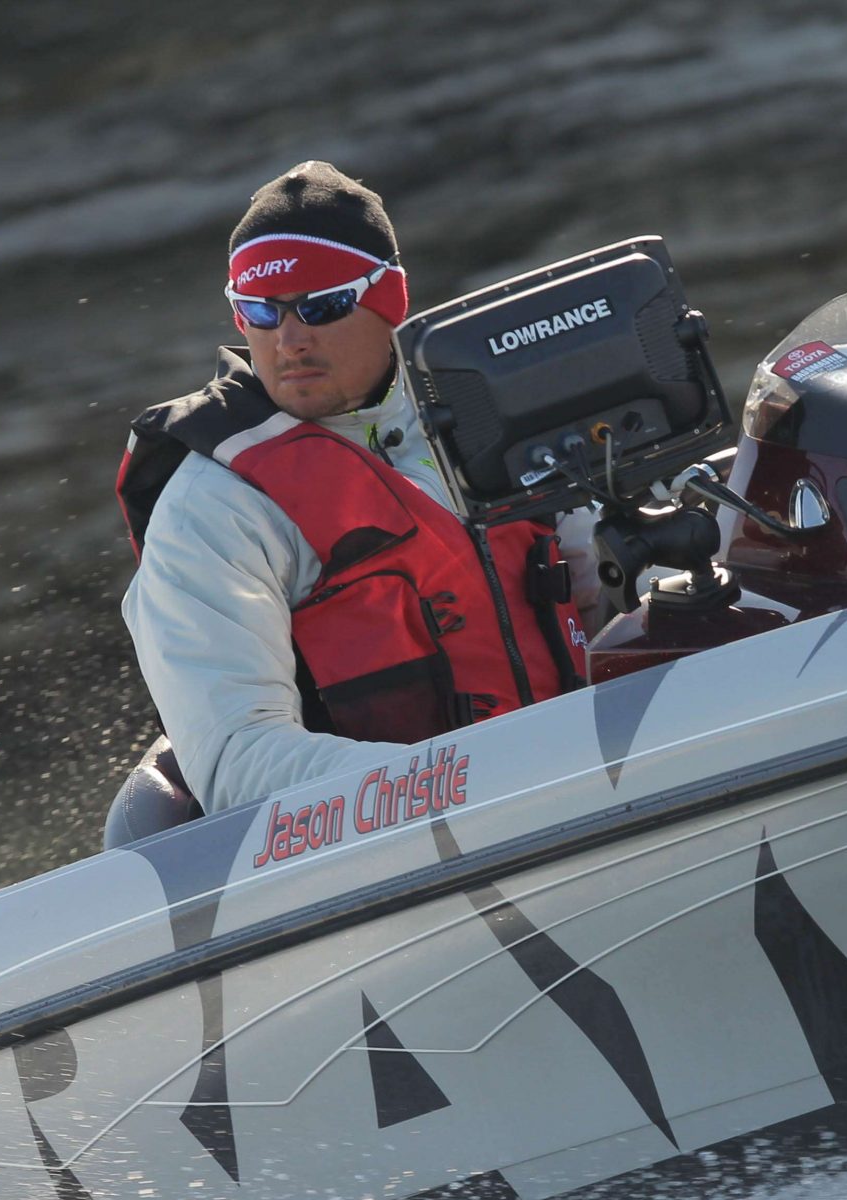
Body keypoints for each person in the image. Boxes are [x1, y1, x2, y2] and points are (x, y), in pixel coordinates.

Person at [113, 161, 597, 826]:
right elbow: (238, 764)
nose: (288, 340)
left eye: (321, 306)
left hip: (582, 785)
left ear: (389, 300)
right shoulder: (210, 509)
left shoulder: (488, 424)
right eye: (260, 311)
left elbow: (602, 593)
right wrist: (480, 785)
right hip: (415, 844)